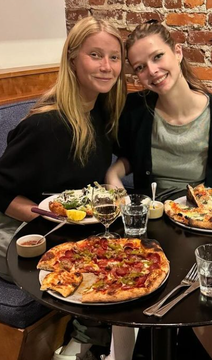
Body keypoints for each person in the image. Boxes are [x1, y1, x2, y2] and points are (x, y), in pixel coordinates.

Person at [106, 20, 212, 360]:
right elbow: (129, 155)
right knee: (117, 278)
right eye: (140, 67)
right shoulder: (135, 111)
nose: (152, 72)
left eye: (158, 57)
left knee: (195, 288)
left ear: (178, 52)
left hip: (203, 227)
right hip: (153, 222)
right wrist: (115, 171)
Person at [0, 16, 135, 360]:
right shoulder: (45, 124)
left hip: (67, 227)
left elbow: (130, 156)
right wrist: (47, 215)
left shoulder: (101, 111)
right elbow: (1, 193)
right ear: (73, 58)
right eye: (95, 55)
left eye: (114, 57)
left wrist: (113, 177)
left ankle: (95, 341)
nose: (107, 67)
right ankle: (79, 346)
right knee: (96, 263)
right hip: (19, 230)